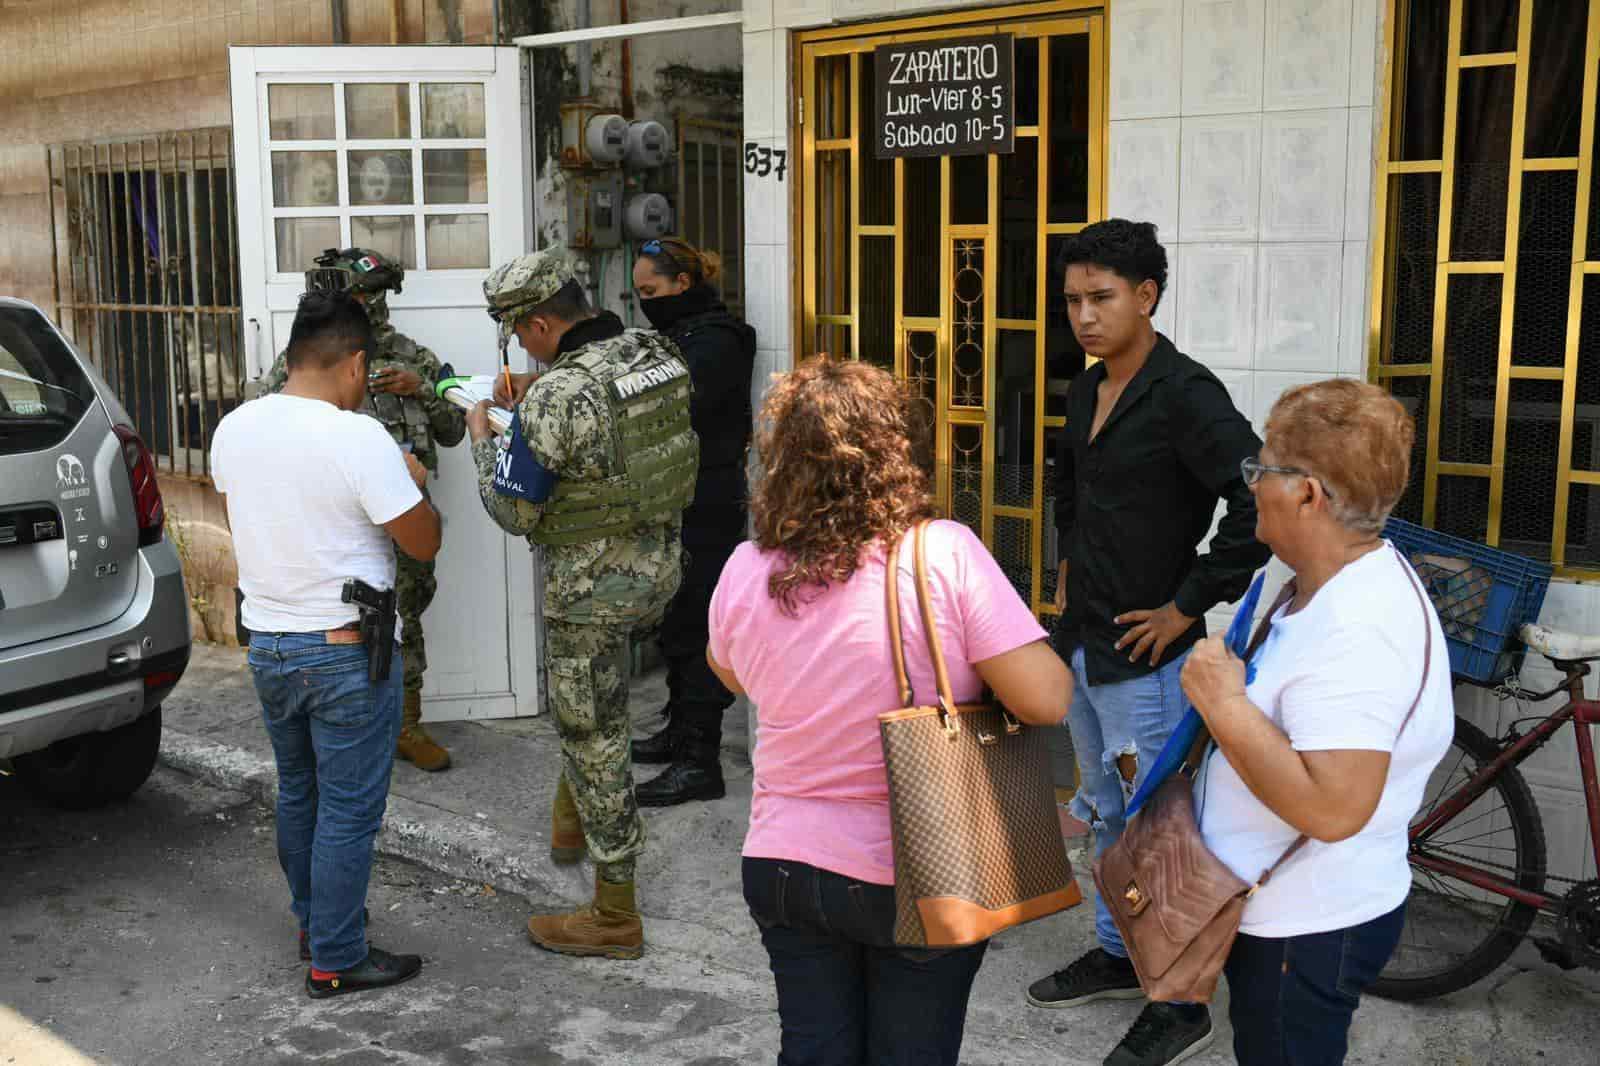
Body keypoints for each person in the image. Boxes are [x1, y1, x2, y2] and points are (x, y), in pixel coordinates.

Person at [706, 358, 1072, 1066]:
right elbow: (1047, 697)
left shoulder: (747, 567)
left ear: (781, 460)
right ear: (902, 452)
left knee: (813, 1051)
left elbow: (732, 675)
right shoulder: (941, 554)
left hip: (783, 865)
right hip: (919, 869)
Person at [1027, 219, 1270, 1066]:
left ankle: (1182, 1002)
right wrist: (1064, 571)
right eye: (1072, 301)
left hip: (1151, 657)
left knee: (1165, 829)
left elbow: (1258, 503)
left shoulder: (1186, 396)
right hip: (1089, 638)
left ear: (1146, 296)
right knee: (1102, 811)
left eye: (1101, 298)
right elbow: (1072, 489)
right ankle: (1119, 950)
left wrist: (1187, 602)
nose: (1084, 316)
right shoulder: (1084, 389)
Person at [1181, 380, 1452, 1065]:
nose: (1250, 488)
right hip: (1279, 909)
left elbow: (1334, 809)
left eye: (1260, 470)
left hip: (1306, 929)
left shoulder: (1360, 629)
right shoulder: (1322, 577)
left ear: (1307, 493)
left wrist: (1224, 704)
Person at [467, 251, 698, 960]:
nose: (521, 348)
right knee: (595, 715)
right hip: (661, 568)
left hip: (591, 593)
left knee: (594, 733)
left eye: (519, 335)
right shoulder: (652, 350)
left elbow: (513, 511)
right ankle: (571, 824)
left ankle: (614, 914)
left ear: (539, 323)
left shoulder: (557, 399)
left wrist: (485, 441)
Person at [212, 291, 441, 997]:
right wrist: (415, 482)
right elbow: (422, 543)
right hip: (344, 650)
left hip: (270, 647)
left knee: (300, 794)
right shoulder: (358, 437)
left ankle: (317, 924)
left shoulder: (235, 428)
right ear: (356, 364)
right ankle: (337, 958)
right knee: (347, 809)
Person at [259, 247, 466, 773]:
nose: (367, 305)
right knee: (340, 625)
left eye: (371, 296)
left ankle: (406, 726)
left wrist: (423, 389)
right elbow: (265, 419)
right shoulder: (304, 359)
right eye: (357, 296)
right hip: (331, 520)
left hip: (402, 513)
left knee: (407, 619)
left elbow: (455, 427)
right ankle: (349, 725)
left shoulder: (412, 355)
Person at [626, 237, 756, 807]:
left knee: (700, 627)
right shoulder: (676, 337)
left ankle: (699, 760)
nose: (644, 302)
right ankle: (679, 731)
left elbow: (677, 401)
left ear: (683, 283)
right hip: (676, 496)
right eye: (638, 294)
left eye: (650, 291)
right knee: (677, 623)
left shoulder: (720, 340)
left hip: (708, 500)